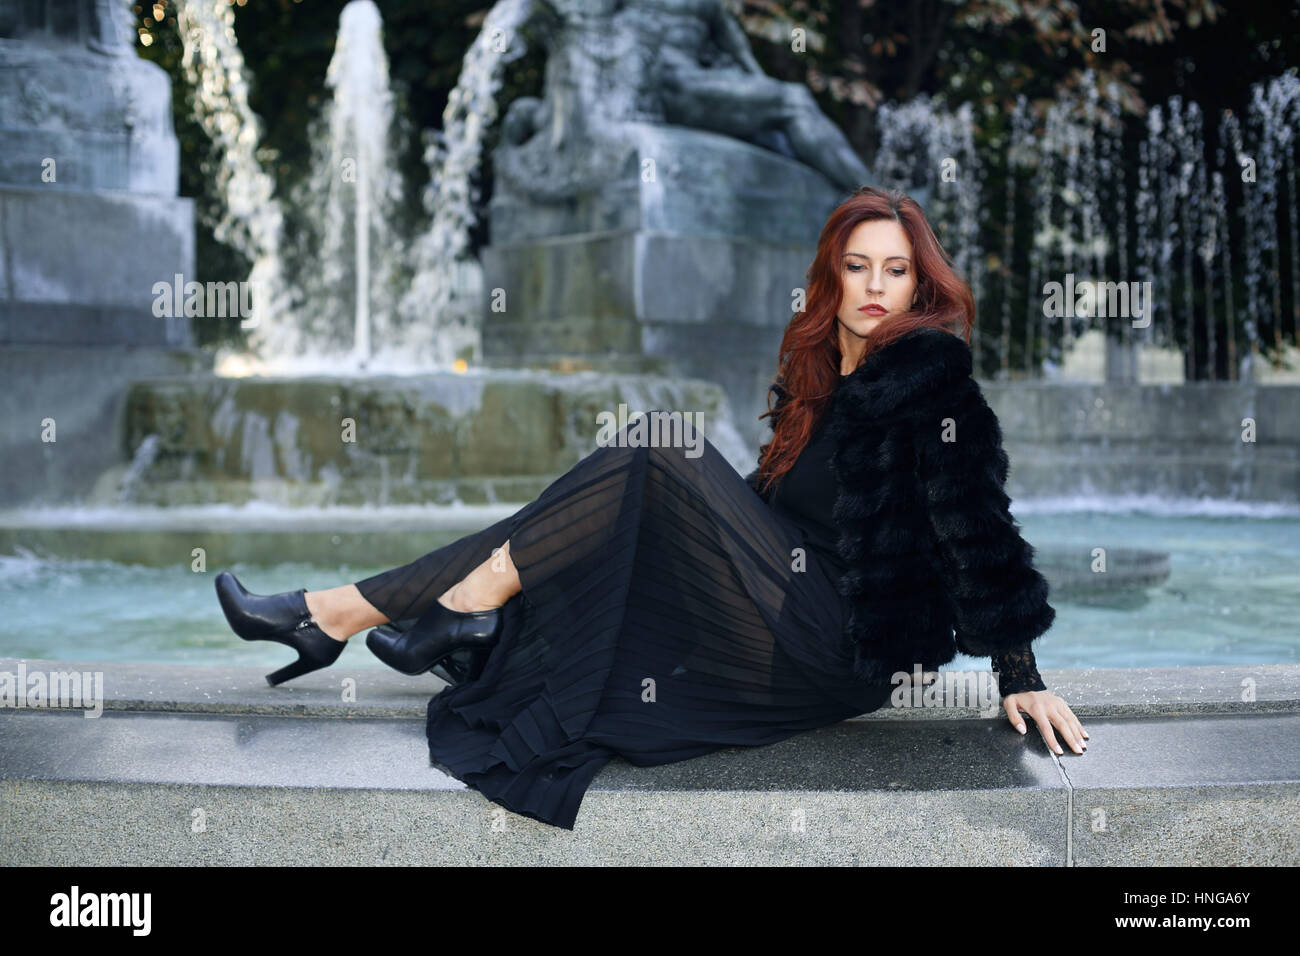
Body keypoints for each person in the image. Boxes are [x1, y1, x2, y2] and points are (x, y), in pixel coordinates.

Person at [215, 185, 1087, 831]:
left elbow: (976, 527)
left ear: (916, 284)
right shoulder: (818, 376)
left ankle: (420, 611)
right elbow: (774, 519)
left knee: (657, 446)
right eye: (856, 266)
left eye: (894, 270)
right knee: (572, 521)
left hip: (843, 642)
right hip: (786, 604)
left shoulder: (929, 378)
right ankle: (330, 613)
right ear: (831, 274)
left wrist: (1021, 673)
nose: (874, 285)